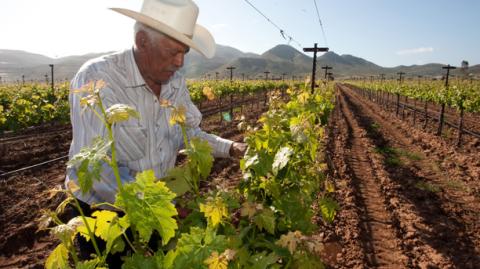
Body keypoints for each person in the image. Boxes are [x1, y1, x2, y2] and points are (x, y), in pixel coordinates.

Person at [65, 0, 247, 207]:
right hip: (102, 213)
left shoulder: (175, 83)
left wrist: (232, 147)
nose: (180, 63)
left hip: (153, 203)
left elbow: (187, 134)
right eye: (173, 52)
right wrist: (157, 204)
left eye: (184, 52)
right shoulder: (97, 79)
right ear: (142, 41)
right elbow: (92, 165)